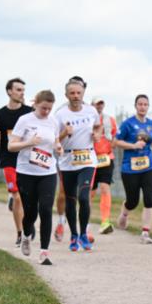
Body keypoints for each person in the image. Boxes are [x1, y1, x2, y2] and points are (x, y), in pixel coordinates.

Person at [9, 89, 63, 265]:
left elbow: (55, 142)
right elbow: (11, 146)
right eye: (43, 108)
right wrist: (29, 143)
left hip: (47, 172)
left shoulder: (53, 122)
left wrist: (58, 148)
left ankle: (44, 252)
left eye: (49, 108)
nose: (46, 111)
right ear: (36, 104)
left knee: (46, 209)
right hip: (26, 172)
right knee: (30, 212)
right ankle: (26, 236)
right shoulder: (24, 120)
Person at [55, 77, 101, 252]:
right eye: (72, 93)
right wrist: (64, 134)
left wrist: (97, 134)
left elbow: (98, 126)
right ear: (66, 95)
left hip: (88, 158)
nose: (76, 96)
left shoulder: (91, 111)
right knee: (71, 199)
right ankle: (73, 235)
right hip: (67, 161)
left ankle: (83, 234)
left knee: (83, 197)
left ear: (83, 93)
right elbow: (54, 139)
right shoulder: (60, 114)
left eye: (78, 93)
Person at [0, 78, 33, 245]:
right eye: (18, 90)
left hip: (28, 160)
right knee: (18, 198)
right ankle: (20, 232)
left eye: (23, 90)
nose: (22, 93)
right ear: (9, 91)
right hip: (9, 160)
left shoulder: (29, 112)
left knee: (29, 198)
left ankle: (28, 222)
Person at [114, 94, 152, 243]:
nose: (142, 107)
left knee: (149, 198)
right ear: (135, 106)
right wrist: (133, 146)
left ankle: (145, 233)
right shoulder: (127, 124)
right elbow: (116, 142)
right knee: (133, 201)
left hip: (149, 166)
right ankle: (124, 214)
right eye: (140, 104)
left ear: (148, 106)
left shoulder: (151, 124)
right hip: (130, 168)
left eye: (145, 104)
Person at [91, 96, 118, 234]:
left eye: (101, 103)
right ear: (92, 105)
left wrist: (112, 145)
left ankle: (105, 221)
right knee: (90, 192)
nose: (99, 106)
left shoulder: (110, 120)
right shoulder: (87, 119)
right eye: (97, 104)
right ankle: (85, 222)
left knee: (105, 187)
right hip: (90, 158)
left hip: (106, 158)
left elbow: (115, 135)